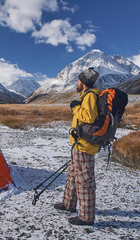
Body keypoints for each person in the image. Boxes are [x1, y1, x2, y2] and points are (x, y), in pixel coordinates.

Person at [54, 67, 101, 226]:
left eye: (79, 80)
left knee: (84, 181)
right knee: (73, 175)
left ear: (84, 82)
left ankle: (86, 217)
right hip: (79, 143)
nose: (77, 82)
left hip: (85, 146)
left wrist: (75, 107)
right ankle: (68, 205)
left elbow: (89, 116)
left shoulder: (90, 96)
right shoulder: (87, 95)